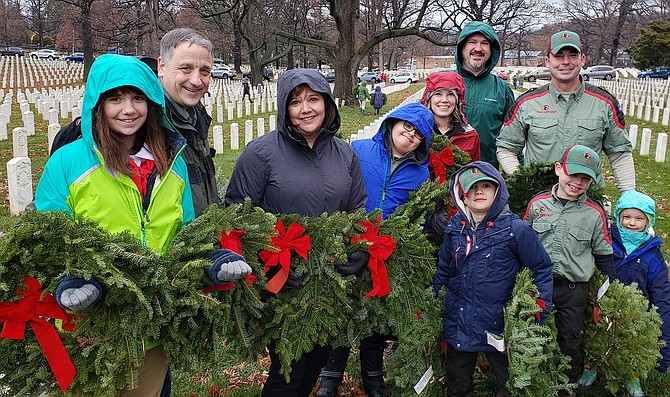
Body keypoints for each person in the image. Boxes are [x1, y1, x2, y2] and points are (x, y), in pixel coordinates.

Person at [34, 54, 250, 397]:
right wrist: (70, 280)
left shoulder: (170, 162)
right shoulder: (68, 162)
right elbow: (47, 236)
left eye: (137, 98)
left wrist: (209, 260)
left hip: (155, 319)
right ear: (97, 104)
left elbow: (186, 233)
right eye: (115, 98)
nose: (128, 109)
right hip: (92, 321)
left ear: (151, 102)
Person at [225, 68, 368, 397]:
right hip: (284, 284)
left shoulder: (344, 154)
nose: (306, 109)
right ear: (284, 109)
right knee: (287, 372)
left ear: (327, 103)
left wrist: (360, 247)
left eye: (313, 99)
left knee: (315, 363)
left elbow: (358, 208)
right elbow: (236, 217)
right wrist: (268, 263)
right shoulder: (261, 154)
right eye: (295, 102)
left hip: (328, 282)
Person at [316, 103, 434, 397]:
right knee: (343, 310)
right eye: (407, 126)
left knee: (376, 316)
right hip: (350, 241)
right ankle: (330, 377)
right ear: (393, 124)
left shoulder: (421, 173)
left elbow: (419, 214)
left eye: (418, 135)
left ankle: (373, 377)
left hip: (388, 251)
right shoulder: (357, 149)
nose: (410, 135)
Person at [433, 161, 553, 397]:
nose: (479, 191)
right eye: (472, 187)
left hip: (499, 324)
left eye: (486, 186)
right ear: (463, 197)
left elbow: (541, 267)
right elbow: (445, 268)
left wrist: (537, 307)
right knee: (457, 382)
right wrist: (435, 300)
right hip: (460, 321)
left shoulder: (515, 230)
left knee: (509, 381)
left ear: (498, 192)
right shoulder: (455, 229)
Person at [523, 145, 615, 396]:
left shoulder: (594, 214)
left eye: (585, 179)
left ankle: (567, 384)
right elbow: (522, 242)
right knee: (533, 332)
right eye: (573, 174)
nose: (577, 182)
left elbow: (604, 253)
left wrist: (612, 289)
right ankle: (532, 380)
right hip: (538, 284)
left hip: (573, 290)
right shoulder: (537, 204)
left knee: (570, 338)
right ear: (558, 169)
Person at [497, 30, 635, 193]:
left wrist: (629, 197)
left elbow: (619, 153)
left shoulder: (604, 103)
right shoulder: (527, 103)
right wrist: (523, 182)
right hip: (538, 204)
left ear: (582, 59)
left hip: (587, 205)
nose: (566, 61)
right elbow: (506, 147)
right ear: (548, 61)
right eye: (559, 56)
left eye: (572, 55)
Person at [603, 190, 669, 397]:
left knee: (632, 345)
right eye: (627, 217)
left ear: (648, 221)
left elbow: (660, 291)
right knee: (600, 338)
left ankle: (632, 376)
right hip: (604, 305)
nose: (632, 222)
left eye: (639, 218)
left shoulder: (652, 253)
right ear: (618, 217)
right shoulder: (607, 242)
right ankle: (592, 365)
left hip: (637, 312)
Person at [158, 27, 220, 217]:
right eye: (186, 68)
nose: (196, 80)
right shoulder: (146, 124)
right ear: (162, 66)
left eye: (204, 71)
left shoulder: (194, 117)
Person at [455, 21, 515, 168]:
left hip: (485, 174)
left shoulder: (502, 89)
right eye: (472, 42)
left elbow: (514, 136)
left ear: (491, 50)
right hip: (445, 174)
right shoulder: (443, 85)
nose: (478, 48)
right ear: (462, 47)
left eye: (484, 43)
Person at [421, 71, 480, 161]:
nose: (444, 100)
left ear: (457, 101)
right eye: (438, 94)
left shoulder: (470, 135)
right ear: (429, 99)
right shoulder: (417, 132)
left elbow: (474, 171)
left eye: (450, 94)